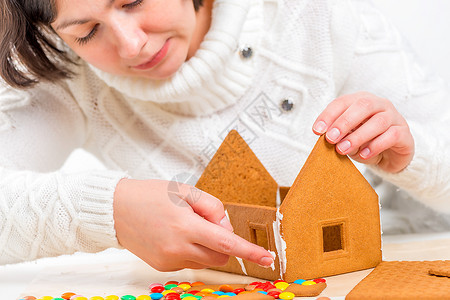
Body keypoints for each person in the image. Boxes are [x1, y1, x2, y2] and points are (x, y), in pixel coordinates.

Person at [0, 0, 449, 270]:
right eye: (87, 31)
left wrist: (414, 155)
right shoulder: (65, 75)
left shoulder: (312, 15)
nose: (131, 44)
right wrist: (106, 211)